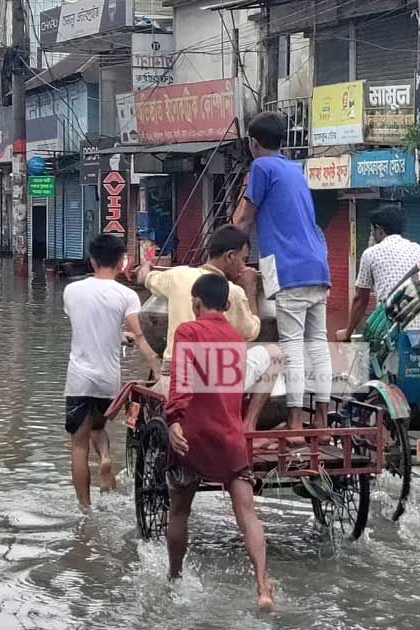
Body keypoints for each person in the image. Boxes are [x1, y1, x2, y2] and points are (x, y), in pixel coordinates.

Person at [164, 273, 274, 611]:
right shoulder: (235, 338)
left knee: (179, 510)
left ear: (196, 303)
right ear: (226, 305)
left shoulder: (188, 331)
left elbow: (181, 379)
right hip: (230, 437)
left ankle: (175, 576)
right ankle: (263, 586)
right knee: (247, 513)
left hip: (194, 436)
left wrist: (173, 419)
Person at [233, 111, 332, 434]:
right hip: (318, 263)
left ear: (253, 143)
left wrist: (227, 254)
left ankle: (293, 419)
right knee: (317, 343)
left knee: (291, 345)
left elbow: (244, 220)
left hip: (289, 268)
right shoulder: (294, 167)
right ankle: (321, 415)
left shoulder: (261, 166)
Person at [137, 225, 281, 431]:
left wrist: (145, 268)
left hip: (174, 374)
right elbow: (252, 332)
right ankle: (248, 425)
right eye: (243, 259)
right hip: (214, 378)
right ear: (230, 256)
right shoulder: (233, 292)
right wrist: (250, 289)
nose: (244, 265)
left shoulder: (177, 276)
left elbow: (145, 278)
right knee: (274, 354)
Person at [64, 234, 162, 510]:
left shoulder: (72, 292)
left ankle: (84, 509)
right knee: (99, 426)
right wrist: (157, 368)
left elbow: (88, 328)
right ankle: (105, 457)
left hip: (79, 379)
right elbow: (141, 337)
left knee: (79, 445)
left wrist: (117, 335)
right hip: (108, 381)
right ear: (121, 262)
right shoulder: (127, 295)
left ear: (92, 260)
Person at [335, 205, 420, 341]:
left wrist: (348, 332)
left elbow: (360, 300)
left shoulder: (371, 253)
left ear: (379, 230)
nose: (372, 236)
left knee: (368, 358)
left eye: (372, 231)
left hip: (388, 329)